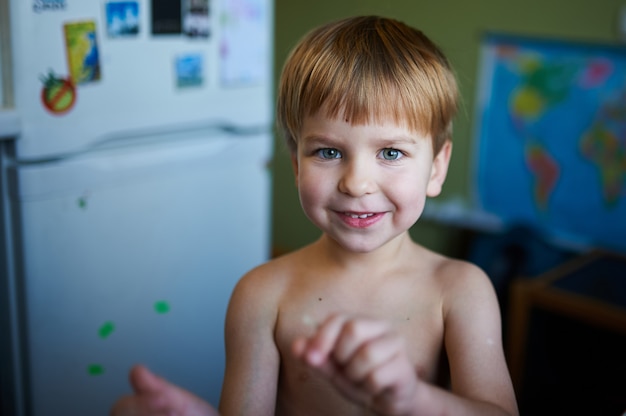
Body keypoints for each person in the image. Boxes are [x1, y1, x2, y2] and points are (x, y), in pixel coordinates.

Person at [111, 15, 519, 416]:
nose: (357, 183)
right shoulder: (262, 295)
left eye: (391, 153)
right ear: (296, 166)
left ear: (436, 168)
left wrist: (415, 402)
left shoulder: (461, 291)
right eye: (329, 152)